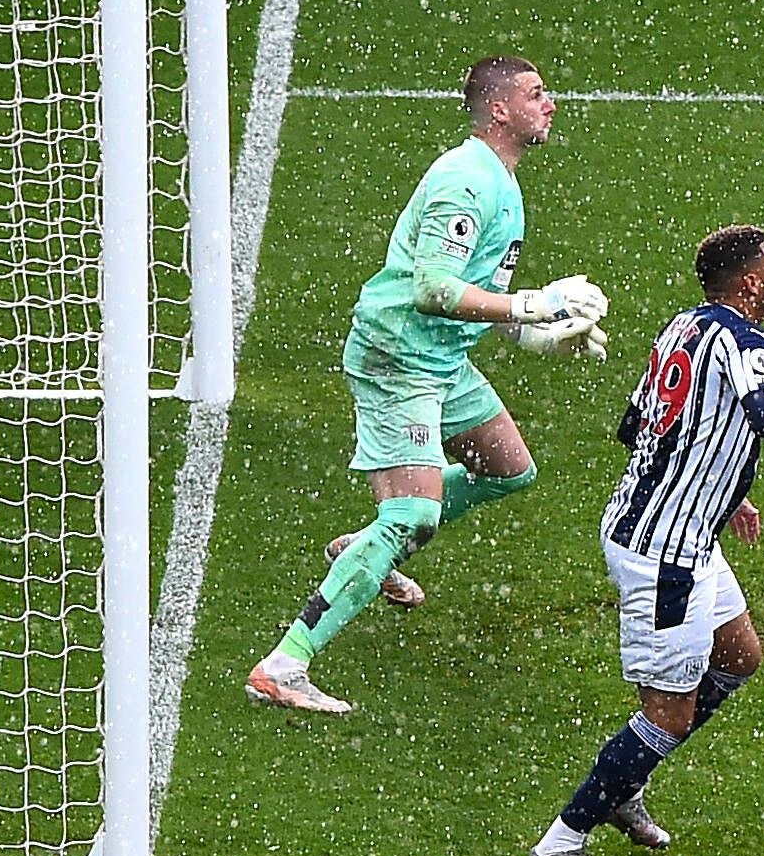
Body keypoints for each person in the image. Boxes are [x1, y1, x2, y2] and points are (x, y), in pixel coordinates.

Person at [529, 226, 764, 856]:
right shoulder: (746, 340)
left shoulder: (685, 327)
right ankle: (563, 840)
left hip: (678, 528)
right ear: (749, 284)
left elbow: (637, 424)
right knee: (665, 710)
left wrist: (725, 493)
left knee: (738, 655)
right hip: (664, 551)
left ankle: (623, 786)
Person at [245, 57, 610, 716]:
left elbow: (479, 295)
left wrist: (539, 331)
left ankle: (364, 547)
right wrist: (530, 305)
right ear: (499, 110)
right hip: (400, 355)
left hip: (440, 356)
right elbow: (433, 289)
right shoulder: (466, 182)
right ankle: (286, 661)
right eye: (535, 94)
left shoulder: (500, 180)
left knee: (508, 469)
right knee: (414, 513)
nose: (550, 103)